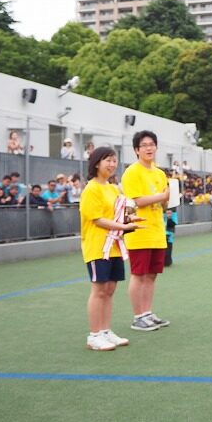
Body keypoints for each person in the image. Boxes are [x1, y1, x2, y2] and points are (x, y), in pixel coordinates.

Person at [80, 146, 143, 351]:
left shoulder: (112, 188)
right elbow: (98, 219)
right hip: (98, 247)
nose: (112, 164)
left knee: (110, 290)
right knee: (99, 290)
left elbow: (115, 215)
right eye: (107, 160)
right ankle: (94, 335)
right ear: (96, 163)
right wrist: (124, 226)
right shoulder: (91, 189)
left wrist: (129, 219)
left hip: (114, 246)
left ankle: (106, 331)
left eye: (114, 160)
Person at [121, 130, 170, 332]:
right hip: (139, 230)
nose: (149, 148)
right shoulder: (132, 172)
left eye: (152, 144)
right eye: (144, 145)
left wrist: (167, 198)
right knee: (138, 274)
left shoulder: (159, 173)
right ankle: (138, 316)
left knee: (151, 275)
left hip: (158, 230)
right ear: (136, 150)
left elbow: (164, 204)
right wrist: (162, 196)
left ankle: (147, 312)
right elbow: (137, 201)